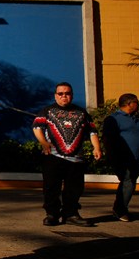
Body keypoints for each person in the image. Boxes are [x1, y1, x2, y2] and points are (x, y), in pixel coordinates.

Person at [32, 82, 102, 227]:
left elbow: (92, 132)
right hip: (52, 156)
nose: (64, 96)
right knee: (51, 187)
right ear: (55, 95)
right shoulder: (47, 111)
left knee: (74, 188)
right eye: (61, 93)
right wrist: (44, 143)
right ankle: (52, 214)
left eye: (67, 93)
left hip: (76, 158)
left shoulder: (82, 113)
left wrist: (97, 148)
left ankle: (71, 214)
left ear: (72, 95)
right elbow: (37, 127)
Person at [102, 93, 139, 222]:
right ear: (129, 104)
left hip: (136, 158)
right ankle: (120, 209)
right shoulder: (113, 119)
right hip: (122, 158)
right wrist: (111, 156)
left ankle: (119, 208)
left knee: (130, 182)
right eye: (136, 102)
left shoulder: (137, 120)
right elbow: (107, 139)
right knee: (128, 181)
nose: (138, 105)